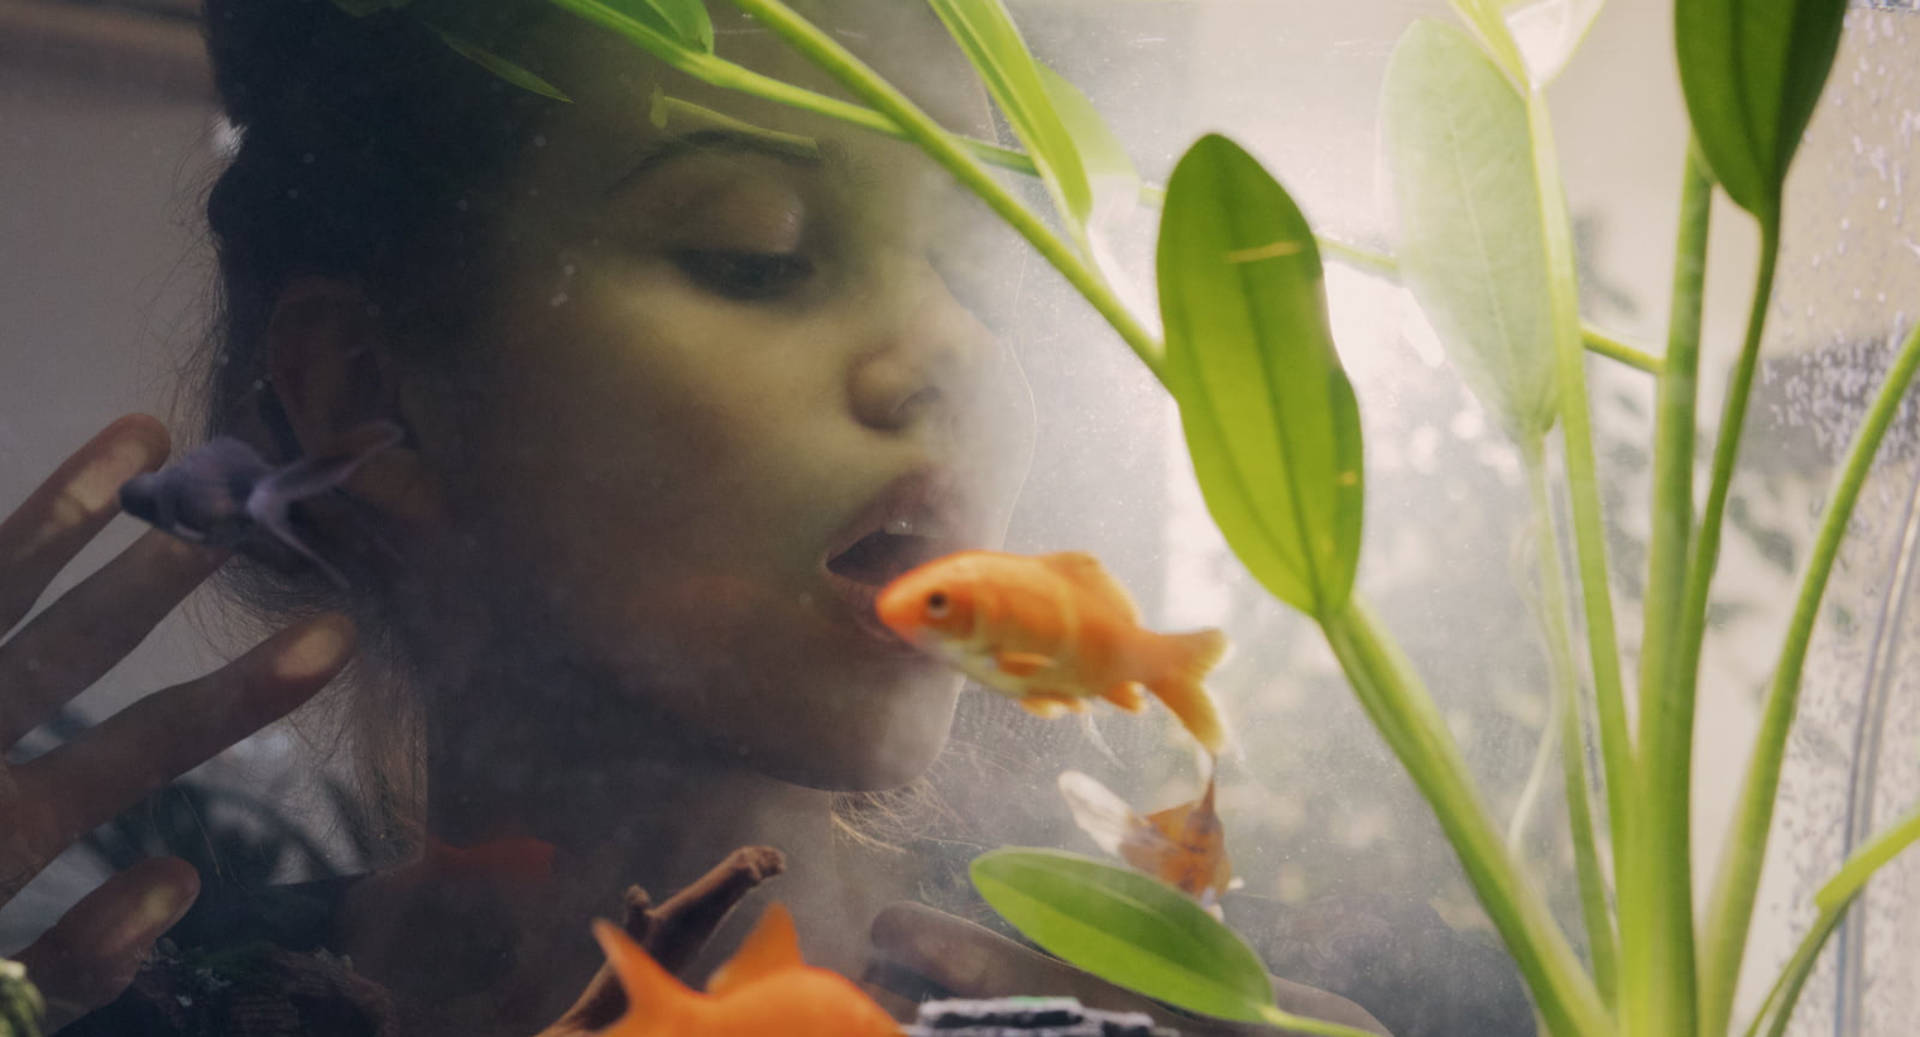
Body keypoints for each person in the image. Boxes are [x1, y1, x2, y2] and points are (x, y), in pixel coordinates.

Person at [0, 1, 1400, 1034]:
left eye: (988, 270)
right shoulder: (177, 1008)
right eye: (759, 251)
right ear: (372, 397)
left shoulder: (1185, 1010)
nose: (947, 353)